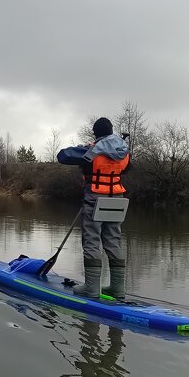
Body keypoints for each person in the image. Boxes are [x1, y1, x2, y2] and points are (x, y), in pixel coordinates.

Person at [57, 117, 130, 300]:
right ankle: (117, 289)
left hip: (95, 199)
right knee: (113, 241)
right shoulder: (124, 151)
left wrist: (88, 146)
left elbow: (63, 156)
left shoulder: (92, 150)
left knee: (91, 240)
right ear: (111, 131)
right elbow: (126, 168)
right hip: (117, 200)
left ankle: (91, 289)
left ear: (95, 133)